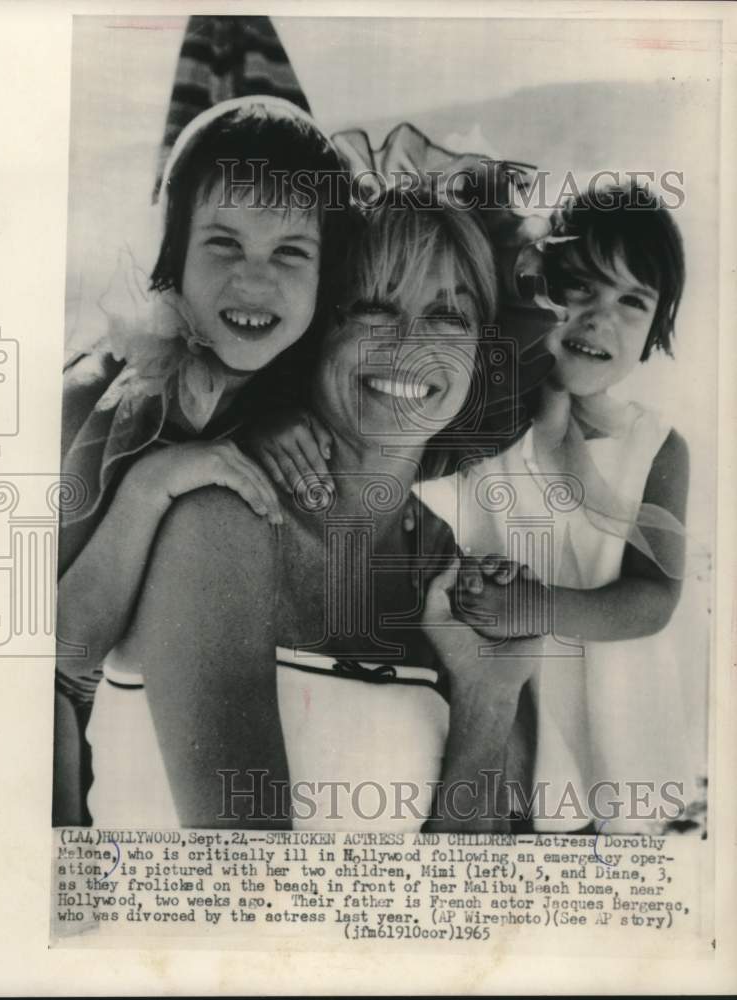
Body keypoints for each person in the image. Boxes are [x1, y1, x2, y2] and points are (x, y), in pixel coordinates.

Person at [83, 186, 543, 831]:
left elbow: (469, 910)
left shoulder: (458, 572)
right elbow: (251, 892)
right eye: (373, 307)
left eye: (448, 317)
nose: (412, 344)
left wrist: (488, 698)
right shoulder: (218, 518)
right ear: (314, 331)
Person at [53, 95, 353, 824]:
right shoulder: (103, 396)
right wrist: (152, 484)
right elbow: (58, 653)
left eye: (290, 252)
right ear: (173, 255)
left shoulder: (303, 389)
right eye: (223, 243)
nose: (254, 281)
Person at [421, 183, 699, 831]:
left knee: (600, 825)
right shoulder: (488, 416)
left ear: (655, 331)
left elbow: (654, 597)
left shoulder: (654, 446)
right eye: (581, 287)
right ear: (537, 290)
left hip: (611, 702)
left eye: (633, 302)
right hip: (504, 694)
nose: (601, 318)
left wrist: (540, 606)